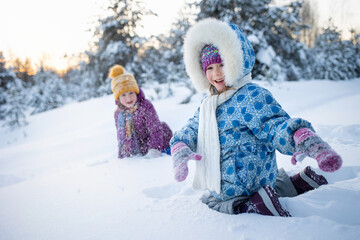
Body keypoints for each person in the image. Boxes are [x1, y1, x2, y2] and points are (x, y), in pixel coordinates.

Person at [170, 18, 342, 217]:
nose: (217, 73)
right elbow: (193, 127)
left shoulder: (250, 95)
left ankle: (257, 204)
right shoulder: (208, 103)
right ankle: (298, 183)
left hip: (239, 184)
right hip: (247, 179)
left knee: (217, 204)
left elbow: (273, 124)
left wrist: (300, 137)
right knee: (264, 187)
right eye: (209, 68)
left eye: (222, 64)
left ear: (236, 62)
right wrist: (180, 145)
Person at [109, 65, 172, 159]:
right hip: (141, 148)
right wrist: (122, 155)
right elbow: (121, 137)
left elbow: (155, 129)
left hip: (160, 143)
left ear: (136, 92)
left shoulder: (145, 106)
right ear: (118, 98)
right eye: (123, 95)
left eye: (131, 93)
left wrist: (154, 149)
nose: (128, 98)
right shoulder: (119, 114)